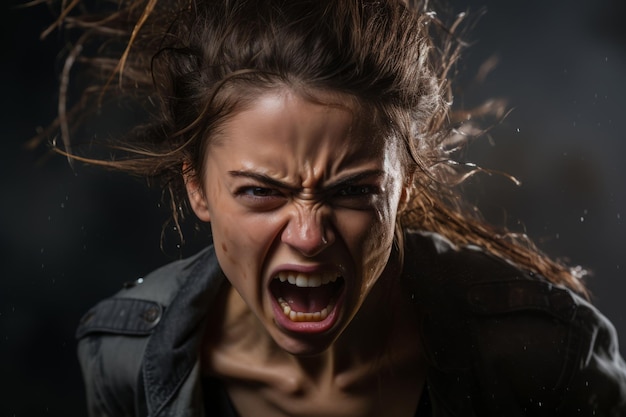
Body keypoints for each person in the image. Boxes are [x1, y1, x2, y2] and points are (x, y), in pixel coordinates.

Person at [36, 0, 626, 415]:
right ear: (197, 187)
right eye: (262, 191)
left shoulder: (550, 357)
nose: (310, 236)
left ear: (403, 189)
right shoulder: (122, 358)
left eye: (352, 190)